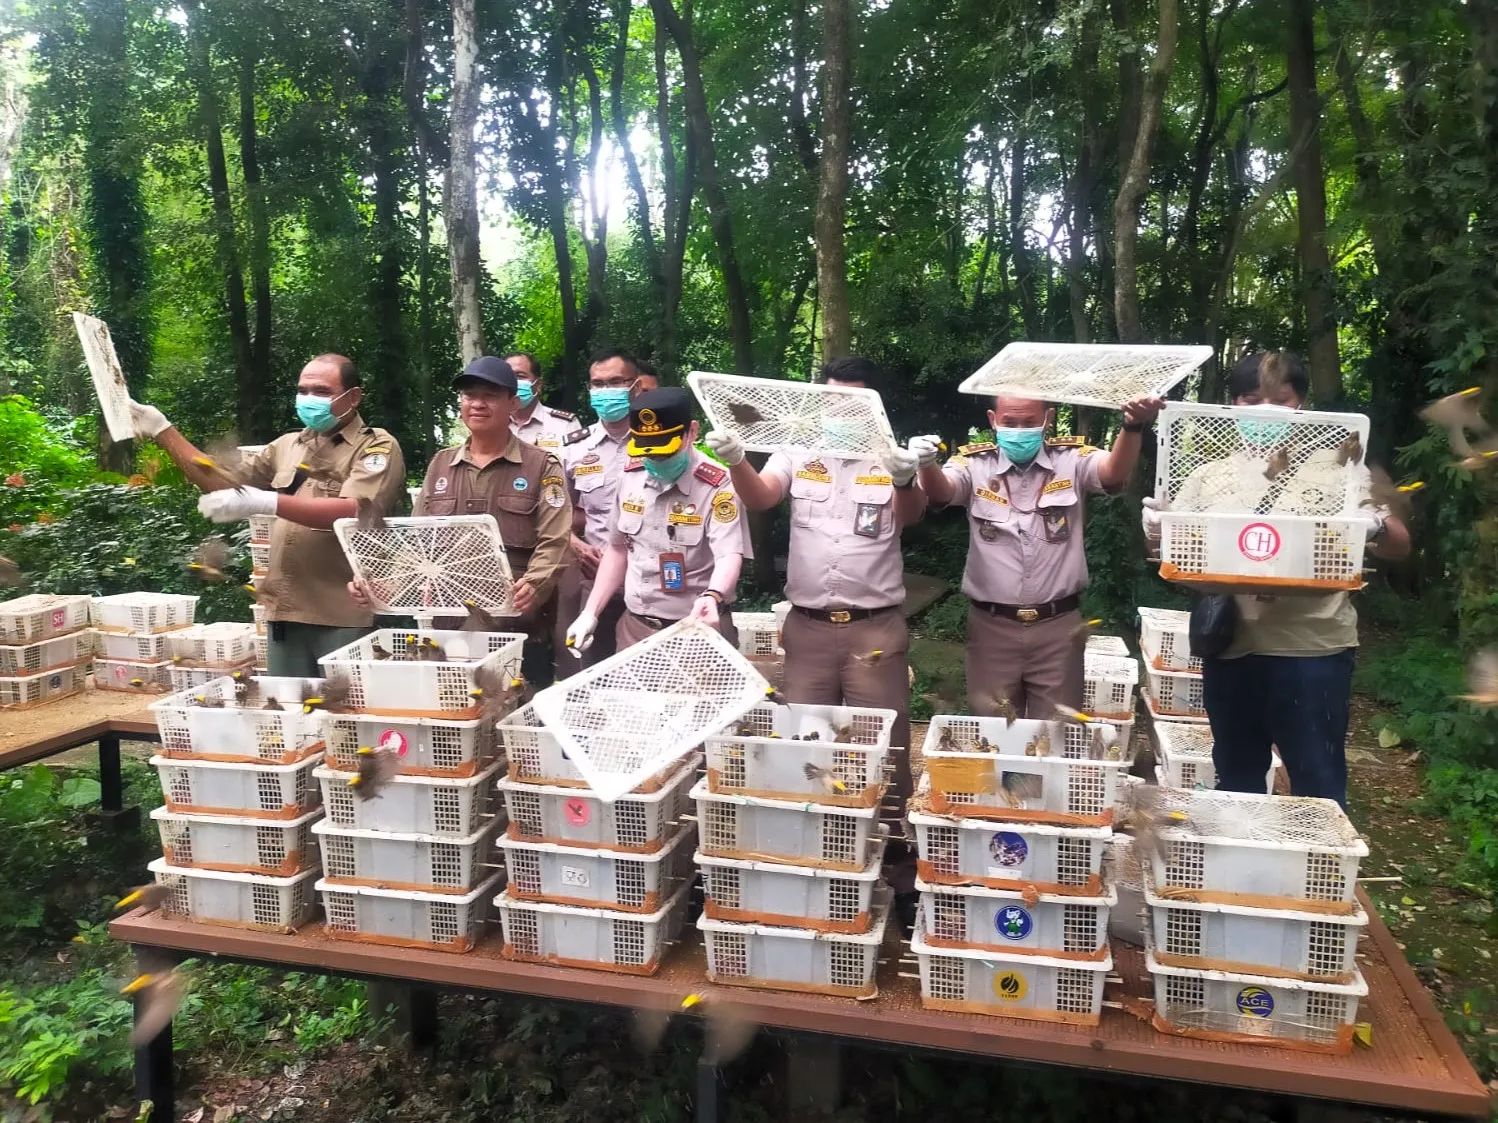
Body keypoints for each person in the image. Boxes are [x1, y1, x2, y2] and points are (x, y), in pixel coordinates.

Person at [1141, 351, 1410, 806]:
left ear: (1301, 404)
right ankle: (1244, 871)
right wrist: (1155, 532)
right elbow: (1176, 561)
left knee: (1318, 782)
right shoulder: (1209, 475)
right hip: (1232, 647)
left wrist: (1376, 527)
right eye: (1251, 399)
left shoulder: (1340, 469)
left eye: (1279, 400)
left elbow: (1399, 544)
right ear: (1233, 404)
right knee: (1236, 777)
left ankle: (1316, 869)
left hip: (1312, 648)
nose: (1265, 410)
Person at [703, 355, 926, 830]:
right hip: (808, 628)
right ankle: (816, 840)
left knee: (884, 742)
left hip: (874, 631)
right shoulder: (797, 451)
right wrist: (738, 461)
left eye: (850, 403)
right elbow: (762, 496)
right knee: (806, 739)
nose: (838, 413)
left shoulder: (893, 456)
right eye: (830, 401)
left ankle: (897, 854)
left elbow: (913, 516)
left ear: (872, 405)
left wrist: (905, 478)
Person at [129, 353, 406, 678]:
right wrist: (163, 430)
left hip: (344, 615)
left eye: (321, 391)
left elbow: (353, 511)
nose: (308, 399)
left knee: (346, 718)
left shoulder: (376, 447)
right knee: (290, 717)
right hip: (284, 614)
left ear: (353, 396)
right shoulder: (289, 445)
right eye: (303, 390)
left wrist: (268, 502)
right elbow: (219, 481)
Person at [918, 392, 1165, 719]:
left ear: (1047, 419)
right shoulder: (975, 464)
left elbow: (1111, 474)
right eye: (1010, 422)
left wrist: (1132, 426)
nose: (1019, 430)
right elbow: (943, 491)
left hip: (1058, 628)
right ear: (993, 420)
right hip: (992, 626)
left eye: (1029, 422)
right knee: (994, 731)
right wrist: (924, 463)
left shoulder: (1071, 459)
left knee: (1057, 731)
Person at [404, 356, 573, 688]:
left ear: (513, 402)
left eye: (490, 395)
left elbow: (555, 538)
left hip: (517, 624)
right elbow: (418, 537)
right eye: (469, 395)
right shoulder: (441, 465)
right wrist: (405, 581)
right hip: (449, 623)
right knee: (455, 713)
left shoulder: (540, 466)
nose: (477, 404)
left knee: (517, 719)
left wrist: (535, 585)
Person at [566, 386, 749, 654]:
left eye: (666, 450)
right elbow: (618, 549)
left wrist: (713, 595)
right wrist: (590, 613)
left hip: (697, 629)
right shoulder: (630, 476)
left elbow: (729, 554)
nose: (656, 459)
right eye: (648, 451)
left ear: (692, 432)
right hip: (635, 629)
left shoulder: (718, 484)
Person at [560, 350, 659, 666]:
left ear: (637, 386)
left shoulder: (663, 441)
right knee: (596, 676)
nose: (606, 391)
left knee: (652, 677)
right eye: (597, 384)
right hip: (597, 581)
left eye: (615, 382)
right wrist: (575, 544)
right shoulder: (575, 447)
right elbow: (556, 512)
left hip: (654, 585)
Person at [506, 351, 578, 454]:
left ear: (538, 385)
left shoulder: (564, 424)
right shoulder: (491, 423)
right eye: (508, 377)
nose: (513, 382)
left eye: (520, 376)